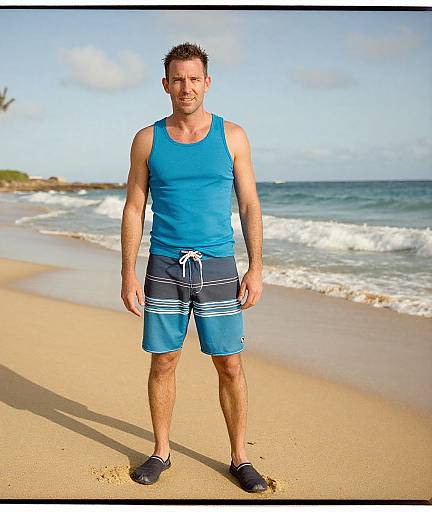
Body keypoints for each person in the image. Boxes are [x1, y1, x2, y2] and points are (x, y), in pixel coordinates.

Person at [120, 42, 266, 493]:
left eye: (194, 78)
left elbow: (248, 204)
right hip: (164, 263)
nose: (187, 86)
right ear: (166, 84)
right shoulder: (148, 138)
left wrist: (255, 266)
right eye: (178, 79)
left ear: (208, 82)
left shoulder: (233, 135)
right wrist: (127, 272)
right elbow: (134, 205)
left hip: (219, 265)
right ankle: (161, 451)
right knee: (163, 360)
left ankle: (239, 457)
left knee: (229, 364)